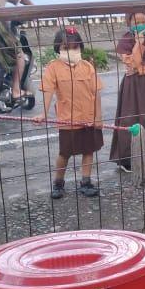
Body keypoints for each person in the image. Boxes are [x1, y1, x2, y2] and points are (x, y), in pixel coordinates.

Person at [38, 27, 104, 199]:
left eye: (75, 48)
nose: (71, 51)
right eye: (66, 48)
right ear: (58, 49)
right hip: (68, 120)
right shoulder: (53, 68)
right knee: (64, 153)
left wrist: (98, 118)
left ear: (80, 48)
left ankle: (86, 182)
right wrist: (43, 114)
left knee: (88, 151)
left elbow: (96, 93)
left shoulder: (88, 67)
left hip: (89, 118)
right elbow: (48, 92)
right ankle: (58, 183)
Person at [109, 11, 145, 172]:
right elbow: (132, 63)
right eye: (137, 21)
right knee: (131, 118)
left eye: (144, 20)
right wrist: (139, 43)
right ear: (129, 23)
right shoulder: (125, 40)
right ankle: (126, 159)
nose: (141, 24)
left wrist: (141, 70)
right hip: (132, 86)